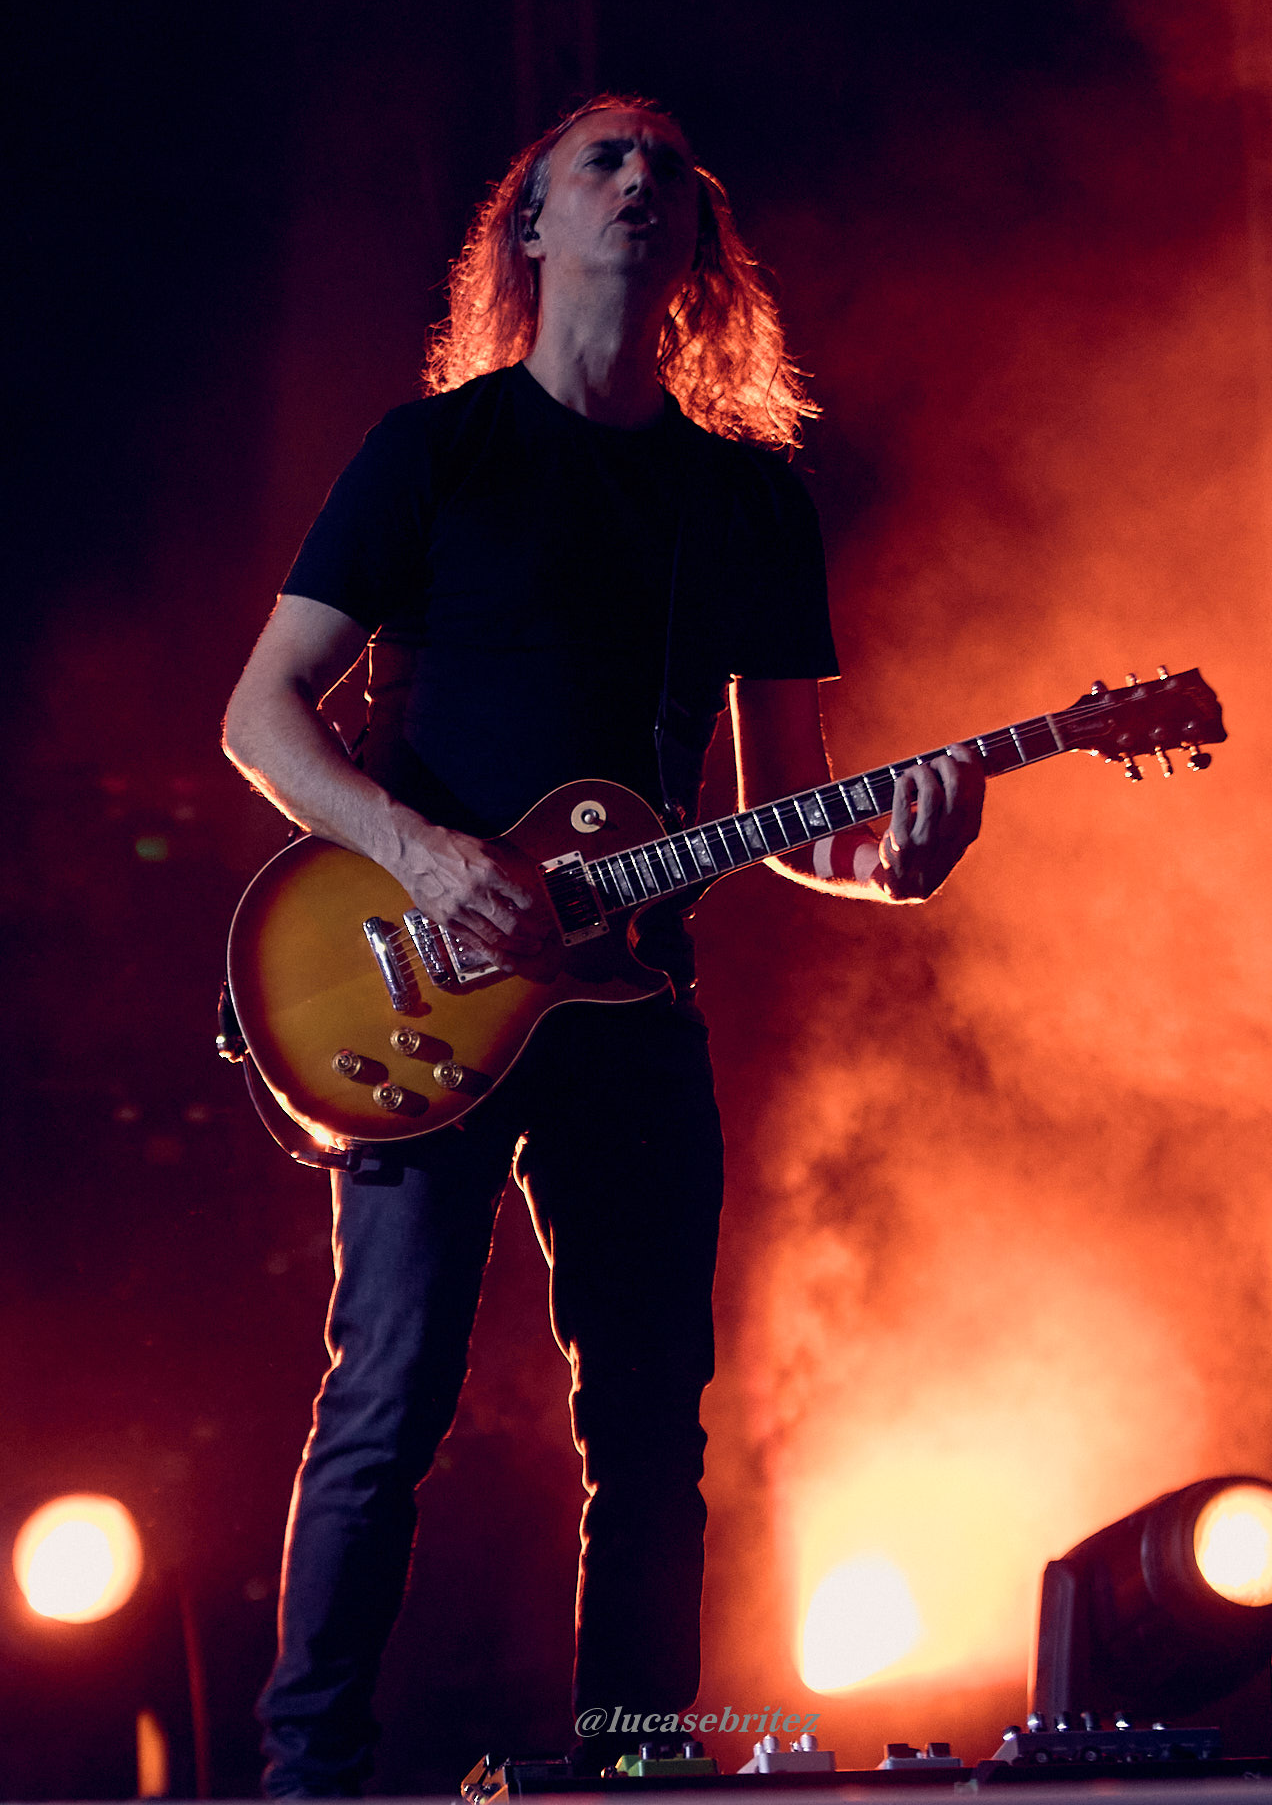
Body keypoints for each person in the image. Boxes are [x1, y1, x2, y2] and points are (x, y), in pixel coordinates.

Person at [222, 93, 984, 1797]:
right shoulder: (434, 453)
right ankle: (304, 1776)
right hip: (417, 985)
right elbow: (261, 715)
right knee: (388, 1399)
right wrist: (426, 857)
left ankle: (631, 1781)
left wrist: (900, 866)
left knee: (651, 1433)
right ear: (533, 225)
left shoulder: (748, 507)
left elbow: (788, 816)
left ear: (699, 244)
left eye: (672, 170)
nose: (644, 179)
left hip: (632, 1007)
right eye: (605, 160)